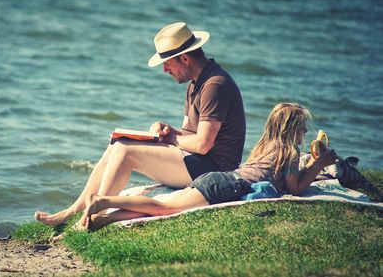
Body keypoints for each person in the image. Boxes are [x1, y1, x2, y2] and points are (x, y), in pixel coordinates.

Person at [34, 22, 246, 226]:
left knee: (126, 151)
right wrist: (168, 130)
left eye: (167, 63)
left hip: (213, 169)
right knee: (118, 144)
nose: (164, 70)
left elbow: (202, 144)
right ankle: (74, 211)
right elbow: (190, 134)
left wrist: (170, 138)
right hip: (196, 161)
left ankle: (92, 217)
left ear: (184, 58)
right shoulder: (196, 84)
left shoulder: (214, 85)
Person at [80, 103, 338, 230]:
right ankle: (103, 201)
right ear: (294, 129)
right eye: (303, 127)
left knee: (160, 210)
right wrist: (318, 164)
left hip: (219, 179)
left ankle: (101, 221)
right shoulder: (290, 152)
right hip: (227, 186)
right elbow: (296, 187)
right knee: (162, 208)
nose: (305, 131)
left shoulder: (266, 145)